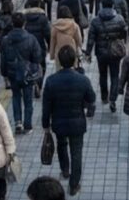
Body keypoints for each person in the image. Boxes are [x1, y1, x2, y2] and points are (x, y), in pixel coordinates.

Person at [41, 46, 97, 196]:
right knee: (76, 152)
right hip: (77, 123)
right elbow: (91, 98)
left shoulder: (51, 81)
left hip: (58, 122)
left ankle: (65, 169)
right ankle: (74, 185)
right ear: (74, 61)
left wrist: (45, 125)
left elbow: (46, 106)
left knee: (61, 144)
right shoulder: (82, 80)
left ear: (59, 60)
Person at [86, 0, 128, 112]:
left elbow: (91, 39)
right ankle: (113, 99)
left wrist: (88, 52)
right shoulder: (119, 18)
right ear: (113, 5)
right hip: (115, 52)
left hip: (101, 52)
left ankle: (104, 97)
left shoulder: (96, 20)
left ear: (101, 5)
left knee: (103, 74)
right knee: (115, 75)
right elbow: (124, 33)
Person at [2, 12, 42, 133]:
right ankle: (28, 124)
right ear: (24, 23)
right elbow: (37, 58)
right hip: (27, 73)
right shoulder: (31, 38)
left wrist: (5, 74)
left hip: (12, 72)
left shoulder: (6, 39)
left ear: (12, 23)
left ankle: (18, 122)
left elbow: (3, 59)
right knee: (28, 99)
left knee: (16, 96)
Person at [23, 0, 52, 94]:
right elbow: (47, 33)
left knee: (27, 65)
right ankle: (38, 85)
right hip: (39, 45)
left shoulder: (24, 17)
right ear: (39, 5)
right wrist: (49, 45)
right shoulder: (43, 18)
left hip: (26, 45)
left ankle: (29, 83)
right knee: (41, 65)